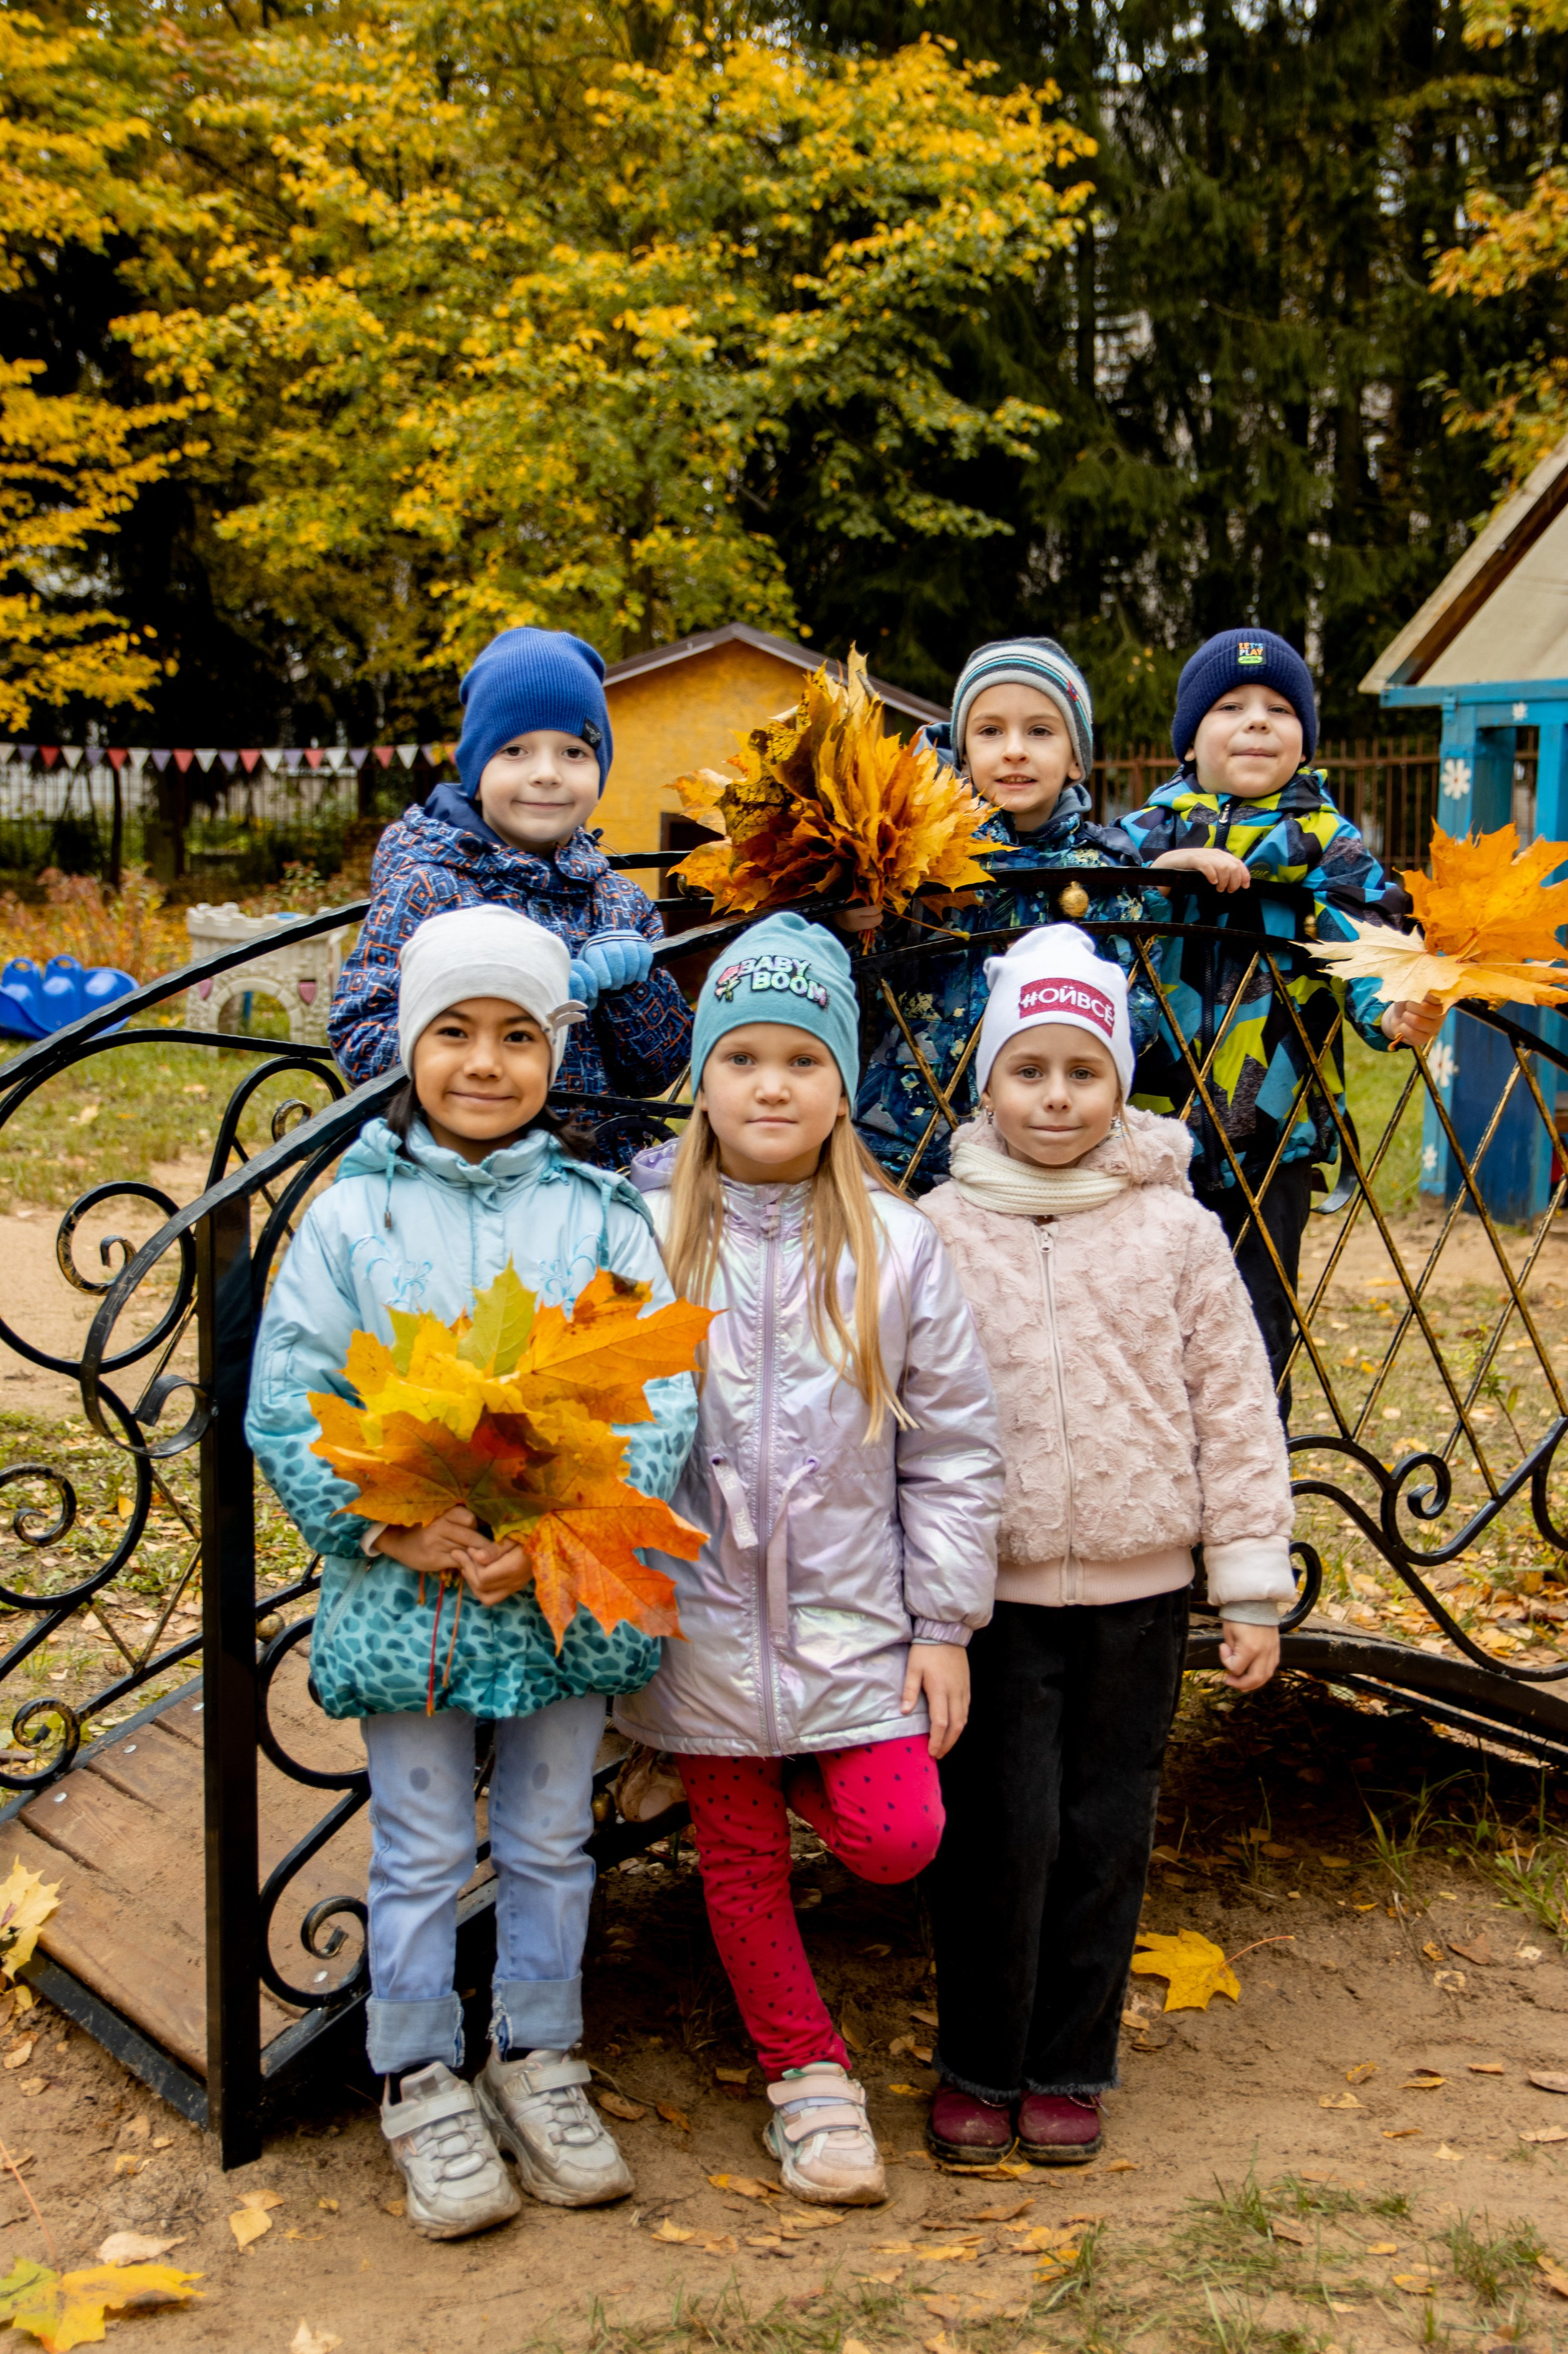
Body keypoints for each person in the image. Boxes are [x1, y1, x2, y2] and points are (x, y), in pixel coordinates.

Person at [247, 907, 699, 2239]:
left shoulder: (601, 1215)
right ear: (410, 1045)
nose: (486, 1063)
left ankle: (540, 2054)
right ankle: (419, 2075)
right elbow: (290, 1397)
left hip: (551, 1594)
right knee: (425, 1844)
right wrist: (383, 1525)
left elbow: (662, 1396)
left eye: (517, 1036)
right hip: (414, 1596)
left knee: (552, 1837)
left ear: (555, 1053)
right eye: (455, 1032)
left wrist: (549, 1524)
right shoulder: (353, 1216)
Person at [616, 915, 1003, 2205]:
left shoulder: (897, 1246)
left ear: (844, 1084)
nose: (770, 1086)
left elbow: (953, 1450)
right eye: (741, 1059)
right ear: (702, 1081)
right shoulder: (642, 1231)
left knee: (898, 1836)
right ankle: (807, 2079)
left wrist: (942, 1626)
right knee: (738, 1863)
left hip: (853, 1619)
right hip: (699, 1621)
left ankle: (762, 1759)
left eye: (801, 1061)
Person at [917, 924, 1295, 2167]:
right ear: (989, 1081)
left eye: (1083, 1072)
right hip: (996, 1595)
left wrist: (1249, 1581)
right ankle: (980, 2061)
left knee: (1102, 1829)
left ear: (1119, 1084)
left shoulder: (1175, 1232)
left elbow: (1234, 1405)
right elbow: (905, 1414)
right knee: (1000, 1832)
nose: (1056, 1097)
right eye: (1027, 1070)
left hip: (1141, 1593)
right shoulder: (939, 1230)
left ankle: (1069, 2065)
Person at [1117, 628, 1440, 1397]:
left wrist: (1391, 1010)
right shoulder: (1141, 836)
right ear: (1188, 741)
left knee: (1256, 1331)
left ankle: (1258, 1470)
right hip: (1143, 1132)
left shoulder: (1331, 845)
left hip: (1272, 1132)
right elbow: (1095, 931)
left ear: (1304, 741)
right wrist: (1163, 875)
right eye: (1230, 706)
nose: (1257, 720)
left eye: (1278, 708)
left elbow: (1368, 939)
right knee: (1141, 1324)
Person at [329, 626, 692, 1166]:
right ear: (477, 770)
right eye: (515, 750)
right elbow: (359, 1041)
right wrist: (499, 1004)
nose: (546, 774)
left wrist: (633, 991)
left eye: (574, 752)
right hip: (468, 1176)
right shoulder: (429, 888)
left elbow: (659, 1070)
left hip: (599, 1178)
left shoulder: (620, 903)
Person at [852, 637, 1159, 1187]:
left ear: (1076, 758)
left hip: (1047, 1144)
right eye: (990, 731)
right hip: (908, 1134)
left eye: (1040, 731)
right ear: (963, 752)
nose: (1014, 750)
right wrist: (856, 927)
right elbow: (860, 979)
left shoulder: (1106, 870)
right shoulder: (911, 852)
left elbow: (1138, 1005)